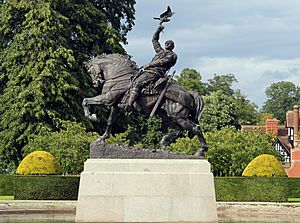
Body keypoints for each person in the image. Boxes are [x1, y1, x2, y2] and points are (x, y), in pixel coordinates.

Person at [124, 25, 177, 113]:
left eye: (170, 44)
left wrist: (150, 64)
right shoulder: (160, 51)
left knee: (137, 83)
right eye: (166, 43)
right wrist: (158, 30)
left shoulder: (172, 55)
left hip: (156, 72)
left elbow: (163, 61)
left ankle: (129, 105)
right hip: (148, 71)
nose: (167, 44)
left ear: (172, 46)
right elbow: (154, 40)